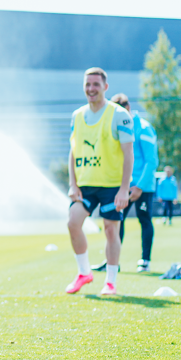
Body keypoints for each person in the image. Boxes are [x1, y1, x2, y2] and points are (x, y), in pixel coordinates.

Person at [65, 68, 134, 296]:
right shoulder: (77, 116)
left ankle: (111, 282)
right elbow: (73, 153)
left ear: (105, 87)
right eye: (87, 84)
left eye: (95, 84)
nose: (91, 89)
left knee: (111, 231)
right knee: (73, 223)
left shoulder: (119, 115)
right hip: (85, 185)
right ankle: (84, 273)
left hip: (111, 186)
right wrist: (73, 184)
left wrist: (124, 189)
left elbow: (128, 153)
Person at [91, 94, 158, 273]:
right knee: (115, 221)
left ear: (127, 108)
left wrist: (139, 186)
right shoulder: (118, 127)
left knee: (144, 220)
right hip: (123, 186)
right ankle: (112, 262)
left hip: (143, 187)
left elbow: (151, 161)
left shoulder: (144, 128)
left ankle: (145, 261)